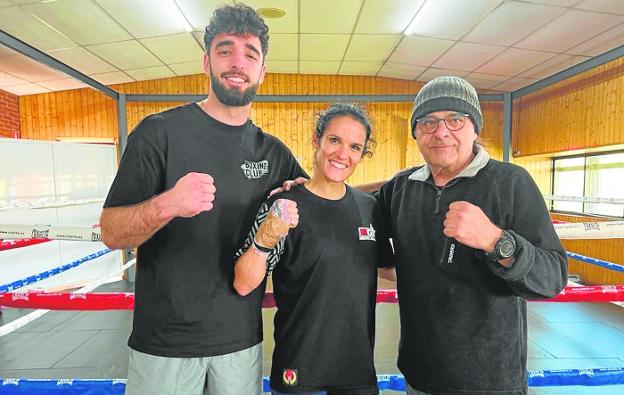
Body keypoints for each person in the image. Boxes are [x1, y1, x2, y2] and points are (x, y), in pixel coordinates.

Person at [99, 4, 306, 395]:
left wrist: (399, 188)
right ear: (206, 61)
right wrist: (169, 204)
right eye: (225, 50)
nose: (237, 63)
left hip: (240, 344)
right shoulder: (159, 133)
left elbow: (324, 197)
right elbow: (112, 232)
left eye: (250, 54)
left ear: (262, 70)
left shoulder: (274, 154)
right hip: (165, 345)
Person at [376, 76, 568, 395]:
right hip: (420, 374)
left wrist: (496, 241)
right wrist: (311, 191)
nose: (441, 132)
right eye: (428, 122)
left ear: (475, 128)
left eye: (455, 119)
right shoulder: (400, 188)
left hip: (490, 381)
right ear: (416, 133)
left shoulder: (511, 183)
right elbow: (365, 236)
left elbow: (552, 277)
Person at [233, 103, 395, 395]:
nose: (342, 154)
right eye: (334, 140)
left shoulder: (369, 209)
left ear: (361, 155)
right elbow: (243, 283)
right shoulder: (283, 205)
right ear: (316, 139)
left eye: (355, 147)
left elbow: (387, 267)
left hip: (356, 368)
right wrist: (264, 238)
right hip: (299, 366)